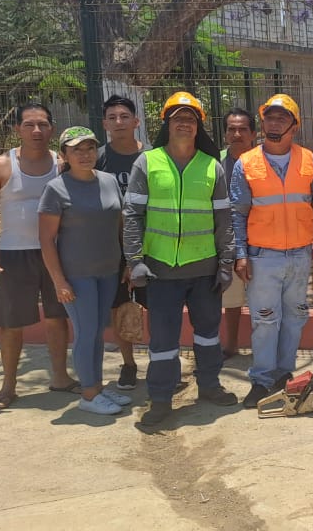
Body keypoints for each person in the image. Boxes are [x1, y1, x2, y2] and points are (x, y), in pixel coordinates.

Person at [123, 91, 239, 426]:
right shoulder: (148, 162)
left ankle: (210, 385)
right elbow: (132, 214)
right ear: (167, 124)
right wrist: (135, 260)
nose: (184, 124)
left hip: (205, 269)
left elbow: (224, 219)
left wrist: (226, 263)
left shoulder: (211, 166)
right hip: (160, 270)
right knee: (162, 340)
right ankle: (160, 399)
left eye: (190, 119)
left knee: (208, 334)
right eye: (178, 119)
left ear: (198, 126)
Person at [230, 94, 313, 407]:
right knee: (265, 320)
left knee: (295, 317)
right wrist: (241, 254)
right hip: (263, 256)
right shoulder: (246, 163)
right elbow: (237, 214)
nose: (274, 124)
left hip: (300, 254)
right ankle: (262, 380)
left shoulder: (309, 161)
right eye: (270, 118)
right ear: (262, 123)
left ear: (294, 126)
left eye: (282, 118)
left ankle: (284, 375)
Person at [0, 103, 75, 411]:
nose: (36, 131)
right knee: (11, 323)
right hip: (14, 255)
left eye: (43, 124)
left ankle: (60, 377)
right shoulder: (0, 166)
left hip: (56, 253)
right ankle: (8, 386)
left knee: (58, 317)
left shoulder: (62, 164)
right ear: (17, 129)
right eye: (29, 125)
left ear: (52, 129)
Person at [38, 127, 133, 415]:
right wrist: (59, 281)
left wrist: (128, 261)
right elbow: (46, 240)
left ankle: (97, 387)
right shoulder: (56, 189)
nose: (84, 154)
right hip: (77, 275)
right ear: (64, 155)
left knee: (97, 332)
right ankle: (88, 395)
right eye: (76, 150)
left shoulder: (108, 180)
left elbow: (119, 224)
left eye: (90, 148)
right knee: (86, 332)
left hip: (109, 271)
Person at [96, 94, 145, 390]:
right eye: (112, 118)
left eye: (125, 117)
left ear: (136, 121)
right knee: (119, 307)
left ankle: (163, 361)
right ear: (105, 124)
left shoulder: (151, 157)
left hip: (151, 245)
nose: (119, 122)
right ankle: (128, 364)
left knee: (158, 307)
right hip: (111, 248)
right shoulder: (97, 158)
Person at [219, 108, 257, 358]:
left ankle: (265, 348)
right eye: (231, 129)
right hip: (228, 241)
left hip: (261, 240)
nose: (237, 134)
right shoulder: (215, 164)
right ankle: (231, 345)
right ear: (225, 134)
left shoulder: (263, 161)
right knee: (231, 299)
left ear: (253, 134)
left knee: (263, 299)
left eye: (243, 129)